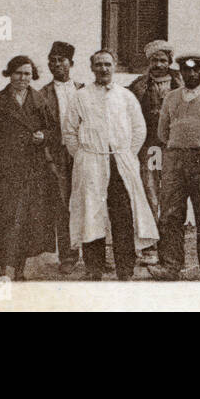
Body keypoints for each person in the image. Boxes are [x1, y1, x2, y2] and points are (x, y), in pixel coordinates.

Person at [64, 49, 158, 280]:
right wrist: (86, 157)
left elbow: (139, 130)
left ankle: (124, 270)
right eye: (99, 64)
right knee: (91, 212)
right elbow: (69, 132)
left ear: (114, 66)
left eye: (107, 64)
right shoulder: (81, 96)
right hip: (91, 161)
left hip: (120, 161)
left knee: (123, 215)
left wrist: (124, 153)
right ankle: (93, 269)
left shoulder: (125, 96)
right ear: (92, 67)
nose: (103, 69)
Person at [147, 52, 200, 280]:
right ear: (180, 72)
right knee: (171, 213)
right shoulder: (171, 98)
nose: (191, 74)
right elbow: (163, 132)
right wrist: (177, 148)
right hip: (174, 159)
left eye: (196, 69)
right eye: (186, 70)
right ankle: (170, 266)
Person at [0, 55, 56, 281]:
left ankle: (19, 269)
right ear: (9, 74)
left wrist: (43, 136)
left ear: (33, 76)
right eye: (18, 73)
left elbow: (53, 130)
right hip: (3, 170)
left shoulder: (39, 100)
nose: (22, 78)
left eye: (27, 74)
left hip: (31, 170)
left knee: (25, 221)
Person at [128, 39, 180, 263]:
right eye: (154, 60)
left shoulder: (180, 82)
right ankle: (150, 243)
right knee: (150, 190)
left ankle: (170, 244)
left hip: (174, 147)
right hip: (151, 147)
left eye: (163, 60)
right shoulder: (139, 85)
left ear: (169, 61)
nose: (158, 64)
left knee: (171, 191)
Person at [36, 41, 82, 274]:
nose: (56, 64)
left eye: (61, 60)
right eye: (52, 60)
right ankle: (68, 255)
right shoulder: (42, 95)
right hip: (58, 155)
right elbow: (41, 129)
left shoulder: (84, 90)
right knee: (64, 204)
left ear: (71, 63)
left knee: (90, 201)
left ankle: (95, 254)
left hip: (83, 154)